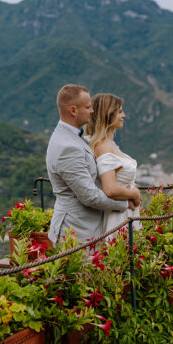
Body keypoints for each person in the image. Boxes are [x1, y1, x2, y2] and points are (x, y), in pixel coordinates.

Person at [46, 85, 127, 244]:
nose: (92, 111)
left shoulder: (72, 137)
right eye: (88, 107)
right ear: (73, 110)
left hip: (83, 229)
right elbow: (89, 196)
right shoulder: (67, 147)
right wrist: (125, 202)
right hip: (76, 233)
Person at [85, 93, 142, 235]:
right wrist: (133, 194)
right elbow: (109, 189)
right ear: (108, 114)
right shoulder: (103, 146)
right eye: (120, 112)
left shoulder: (110, 144)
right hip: (118, 217)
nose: (124, 115)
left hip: (127, 212)